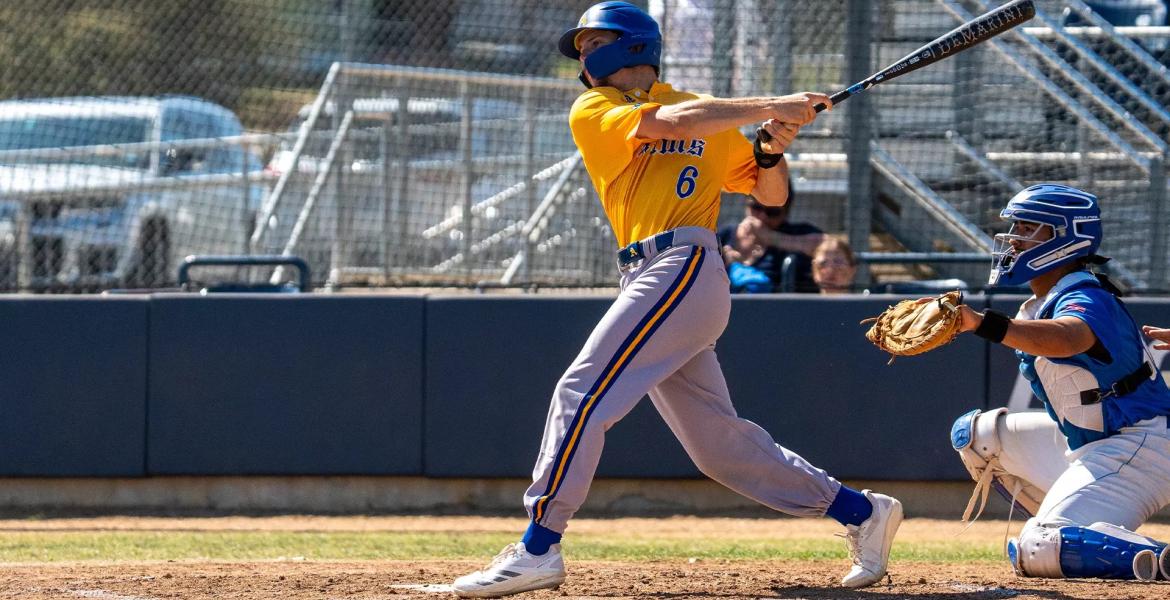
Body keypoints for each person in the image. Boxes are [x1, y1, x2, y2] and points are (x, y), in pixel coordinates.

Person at [452, 2, 902, 596]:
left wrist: (770, 148)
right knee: (716, 446)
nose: (583, 56)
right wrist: (770, 105)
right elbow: (668, 124)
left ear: (631, 43)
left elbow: (769, 194)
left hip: (683, 264)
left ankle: (539, 545)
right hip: (652, 272)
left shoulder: (700, 109)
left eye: (591, 42)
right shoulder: (598, 107)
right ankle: (861, 513)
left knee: (581, 393)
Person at [948, 183, 1170, 581]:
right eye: (1017, 227)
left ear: (1066, 238)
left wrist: (982, 324)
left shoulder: (1086, 293)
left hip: (1141, 446)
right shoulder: (1044, 298)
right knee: (978, 435)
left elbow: (1070, 336)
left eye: (1029, 228)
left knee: (1038, 547)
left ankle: (1069, 533)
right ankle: (1078, 519)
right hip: (1096, 444)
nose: (1014, 239)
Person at [717, 184, 825, 293]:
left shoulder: (797, 232)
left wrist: (770, 237)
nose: (762, 216)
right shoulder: (726, 234)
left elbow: (829, 246)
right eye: (756, 207)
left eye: (772, 212)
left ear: (786, 213)